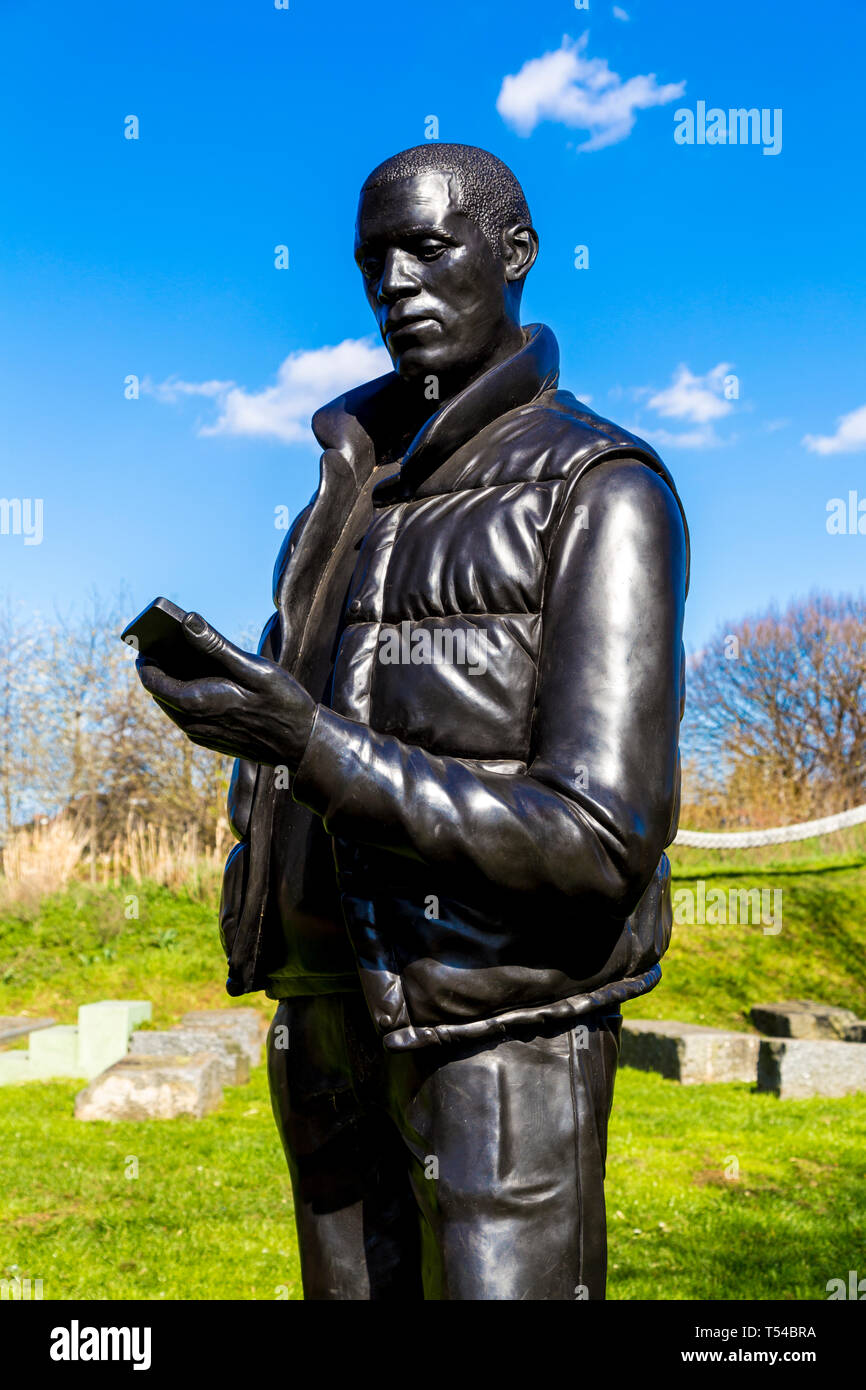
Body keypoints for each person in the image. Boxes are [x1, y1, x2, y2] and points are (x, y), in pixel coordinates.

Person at [137, 142, 689, 1300]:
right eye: (369, 260)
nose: (391, 283)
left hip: (496, 1033)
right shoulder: (339, 494)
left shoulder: (600, 488)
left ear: (515, 254)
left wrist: (306, 744)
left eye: (425, 248)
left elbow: (597, 835)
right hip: (322, 1023)